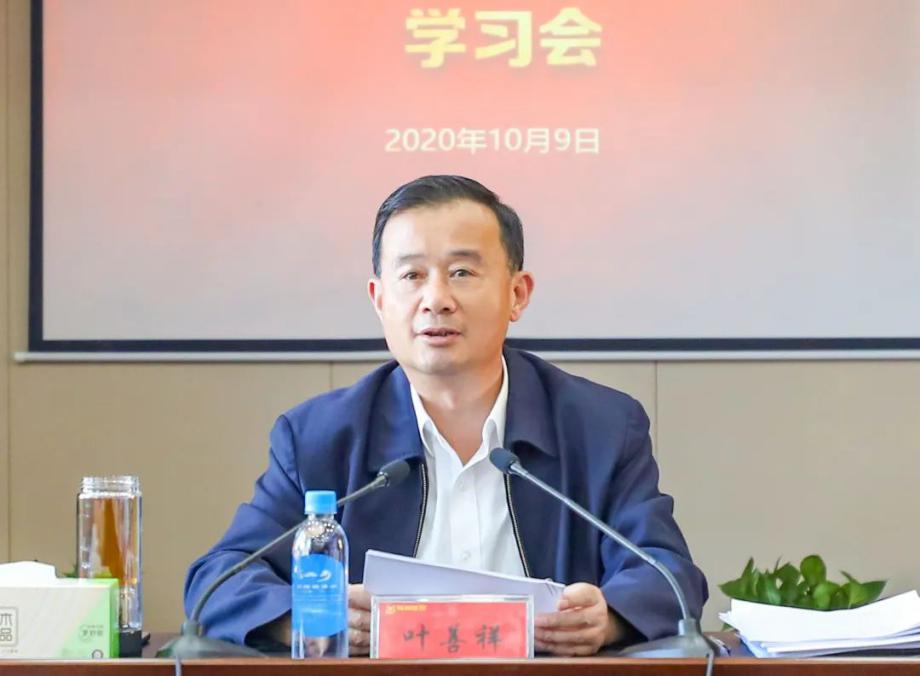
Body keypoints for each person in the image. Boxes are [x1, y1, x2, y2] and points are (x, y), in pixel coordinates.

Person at [184, 175, 708, 656]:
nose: (436, 299)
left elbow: (668, 574)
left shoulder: (601, 426)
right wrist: (307, 616)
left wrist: (609, 617)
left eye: (461, 272)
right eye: (412, 275)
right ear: (379, 299)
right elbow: (218, 581)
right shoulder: (319, 437)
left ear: (517, 294)